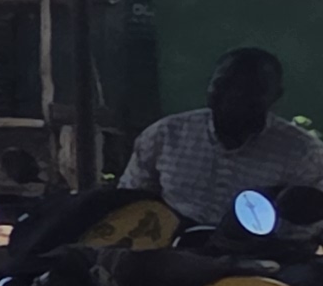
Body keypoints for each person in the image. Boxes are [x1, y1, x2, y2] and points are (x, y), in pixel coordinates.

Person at [121, 46, 323, 234]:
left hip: (264, 256)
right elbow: (130, 202)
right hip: (174, 248)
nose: (235, 95)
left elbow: (308, 229)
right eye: (224, 84)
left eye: (252, 89)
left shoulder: (303, 151)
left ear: (276, 95)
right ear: (209, 84)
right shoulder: (164, 135)